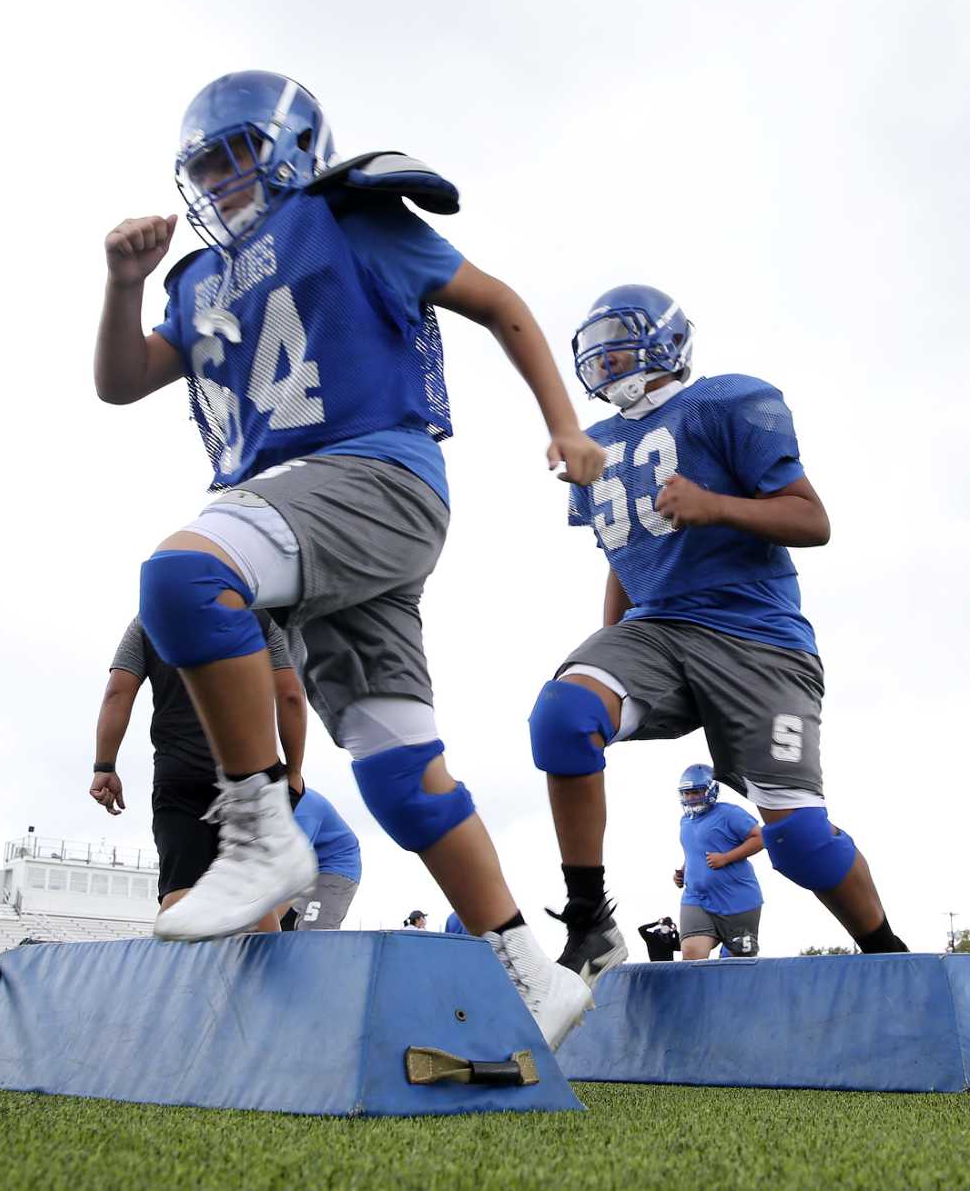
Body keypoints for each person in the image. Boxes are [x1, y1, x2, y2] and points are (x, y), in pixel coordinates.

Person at [94, 70, 603, 1046]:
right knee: (399, 772)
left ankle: (257, 828)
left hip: (371, 474)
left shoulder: (347, 215)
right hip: (308, 525)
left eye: (231, 153)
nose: (216, 176)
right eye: (200, 163)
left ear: (284, 147)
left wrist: (564, 426)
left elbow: (496, 300)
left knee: (181, 573)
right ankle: (530, 972)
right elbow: (122, 382)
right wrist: (121, 288)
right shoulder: (195, 278)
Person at [531, 285, 907, 984]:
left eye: (619, 335)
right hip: (658, 629)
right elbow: (625, 559)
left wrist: (711, 506)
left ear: (665, 340)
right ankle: (590, 922)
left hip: (755, 636)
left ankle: (888, 955)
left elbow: (811, 521)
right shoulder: (596, 445)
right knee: (563, 713)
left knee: (798, 844)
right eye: (595, 341)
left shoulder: (730, 401)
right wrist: (608, 650)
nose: (603, 353)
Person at [93, 611, 307, 911]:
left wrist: (104, 766)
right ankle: (265, 958)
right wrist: (294, 769)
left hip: (178, 771)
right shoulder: (266, 617)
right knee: (253, 898)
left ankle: (174, 958)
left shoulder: (150, 617)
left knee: (180, 889)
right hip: (251, 773)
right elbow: (290, 695)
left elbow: (117, 693)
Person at [672, 765, 763, 959]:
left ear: (710, 790)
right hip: (697, 898)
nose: (691, 798)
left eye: (696, 792)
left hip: (737, 900)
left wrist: (726, 858)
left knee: (736, 967)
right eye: (687, 793)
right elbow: (694, 852)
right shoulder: (685, 821)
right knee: (691, 954)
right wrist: (683, 872)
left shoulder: (730, 813)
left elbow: (760, 838)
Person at [280, 783, 360, 930]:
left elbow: (295, 872)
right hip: (303, 869)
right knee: (285, 927)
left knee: (310, 932)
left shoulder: (303, 811)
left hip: (333, 867)